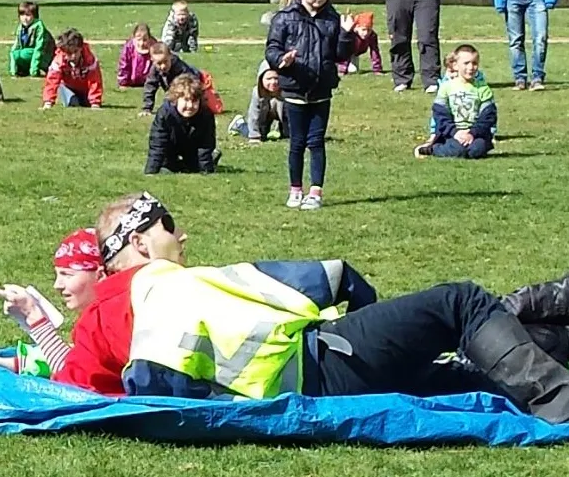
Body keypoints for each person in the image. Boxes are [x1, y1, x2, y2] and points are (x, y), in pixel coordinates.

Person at [51, 193, 569, 422]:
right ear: (140, 242)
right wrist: (371, 327)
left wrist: (23, 344)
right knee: (461, 302)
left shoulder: (100, 319)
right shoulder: (180, 281)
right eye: (168, 227)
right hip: (326, 362)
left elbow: (70, 386)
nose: (181, 235)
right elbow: (332, 274)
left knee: (469, 381)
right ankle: (559, 401)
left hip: (295, 391)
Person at [266, 0, 355, 210]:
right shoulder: (284, 18)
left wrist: (347, 34)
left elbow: (340, 54)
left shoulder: (332, 18)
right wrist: (281, 60)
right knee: (296, 142)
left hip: (321, 90)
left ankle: (315, 191)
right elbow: (272, 47)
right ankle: (295, 189)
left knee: (316, 142)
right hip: (294, 88)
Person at [0, 227, 104, 376]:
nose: (57, 285)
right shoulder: (100, 315)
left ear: (100, 275)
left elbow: (71, 375)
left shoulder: (108, 322)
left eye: (67, 274)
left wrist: (33, 315)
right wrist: (4, 363)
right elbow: (78, 358)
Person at [417, 44, 497, 159]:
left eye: (474, 63)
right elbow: (440, 115)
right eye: (466, 63)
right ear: (455, 65)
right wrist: (455, 132)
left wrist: (472, 133)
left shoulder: (483, 89)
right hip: (452, 134)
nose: (470, 67)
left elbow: (488, 117)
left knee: (476, 150)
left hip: (476, 134)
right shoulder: (446, 87)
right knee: (458, 151)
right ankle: (432, 149)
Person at [145, 74, 220, 174]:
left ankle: (209, 159)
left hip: (192, 148)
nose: (190, 106)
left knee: (194, 167)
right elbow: (158, 143)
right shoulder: (165, 114)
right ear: (176, 100)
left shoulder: (205, 115)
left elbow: (206, 143)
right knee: (166, 166)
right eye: (186, 100)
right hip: (171, 147)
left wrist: (206, 170)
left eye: (194, 101)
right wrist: (151, 171)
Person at [139, 39, 223, 117]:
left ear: (170, 56)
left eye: (165, 61)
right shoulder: (154, 69)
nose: (163, 66)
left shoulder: (180, 68)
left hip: (200, 81)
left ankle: (212, 95)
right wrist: (147, 108)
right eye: (159, 63)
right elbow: (150, 87)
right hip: (180, 88)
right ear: (152, 60)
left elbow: (185, 87)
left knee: (212, 109)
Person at [41, 28, 103, 109]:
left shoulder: (90, 60)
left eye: (76, 51)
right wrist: (48, 102)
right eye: (69, 53)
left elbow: (95, 82)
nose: (73, 56)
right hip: (68, 88)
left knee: (86, 103)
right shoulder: (58, 61)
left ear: (81, 48)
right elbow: (52, 81)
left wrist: (95, 103)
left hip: (85, 90)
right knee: (72, 103)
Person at [228, 61, 287, 144]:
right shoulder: (257, 93)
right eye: (269, 79)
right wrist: (254, 136)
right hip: (263, 116)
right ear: (261, 80)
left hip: (281, 115)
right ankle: (239, 124)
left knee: (288, 134)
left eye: (276, 78)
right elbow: (253, 115)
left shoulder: (286, 91)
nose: (273, 82)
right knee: (261, 135)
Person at [8, 1, 53, 78]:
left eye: (28, 15)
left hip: (45, 56)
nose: (25, 18)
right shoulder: (21, 27)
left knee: (23, 53)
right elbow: (15, 47)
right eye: (22, 15)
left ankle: (35, 69)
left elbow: (39, 48)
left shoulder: (39, 27)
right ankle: (22, 70)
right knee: (16, 54)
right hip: (29, 54)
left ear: (34, 16)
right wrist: (13, 72)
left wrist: (33, 71)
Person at [339, 11, 384, 76]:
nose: (366, 33)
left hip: (355, 53)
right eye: (363, 29)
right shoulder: (350, 35)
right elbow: (344, 51)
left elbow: (375, 52)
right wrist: (342, 70)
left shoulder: (372, 36)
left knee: (353, 70)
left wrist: (377, 69)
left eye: (369, 30)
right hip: (340, 54)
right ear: (356, 28)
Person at [116, 23, 154, 89]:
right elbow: (124, 66)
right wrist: (123, 83)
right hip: (132, 81)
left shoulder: (154, 47)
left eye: (145, 40)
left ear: (149, 38)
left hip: (149, 82)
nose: (141, 43)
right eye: (139, 40)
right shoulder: (129, 48)